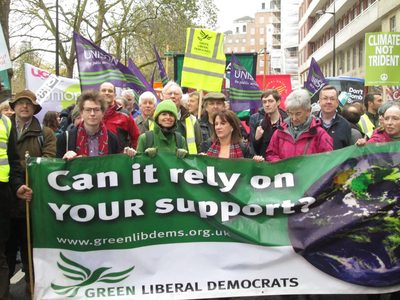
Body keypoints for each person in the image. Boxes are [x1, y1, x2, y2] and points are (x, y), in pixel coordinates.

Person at [7, 89, 56, 293]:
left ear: (35, 108)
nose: (24, 106)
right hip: (7, 200)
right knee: (7, 250)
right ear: (14, 107)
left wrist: (19, 171)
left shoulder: (45, 134)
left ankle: (33, 286)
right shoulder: (4, 129)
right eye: (20, 103)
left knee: (31, 249)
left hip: (32, 200)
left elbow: (47, 163)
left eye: (28, 103)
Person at [0, 110, 32, 300]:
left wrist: (17, 185)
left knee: (1, 254)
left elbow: (12, 160)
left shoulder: (5, 122)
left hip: (2, 192)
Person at [56, 90, 137, 160]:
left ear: (103, 113)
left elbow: (115, 166)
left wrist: (125, 156)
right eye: (88, 110)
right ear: (81, 113)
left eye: (96, 110)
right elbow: (57, 169)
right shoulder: (65, 138)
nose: (92, 114)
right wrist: (65, 160)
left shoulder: (112, 138)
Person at [266, 89, 333, 162]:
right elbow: (271, 155)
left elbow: (328, 161)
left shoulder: (320, 135)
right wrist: (282, 165)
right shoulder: (280, 131)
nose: (294, 118)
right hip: (284, 173)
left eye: (298, 114)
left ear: (308, 110)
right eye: (290, 113)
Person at [199, 109, 263, 162]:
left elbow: (251, 171)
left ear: (232, 127)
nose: (218, 127)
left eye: (223, 124)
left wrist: (257, 161)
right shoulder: (207, 145)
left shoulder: (243, 147)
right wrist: (200, 160)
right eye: (216, 124)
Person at [161, 81, 202, 154]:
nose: (173, 96)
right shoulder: (152, 119)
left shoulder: (192, 120)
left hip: (186, 163)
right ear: (163, 96)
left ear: (181, 98)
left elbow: (199, 146)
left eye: (176, 94)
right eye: (169, 93)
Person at [99, 82, 140, 151]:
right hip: (97, 158)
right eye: (103, 90)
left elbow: (136, 137)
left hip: (119, 158)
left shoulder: (125, 115)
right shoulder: (92, 113)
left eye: (110, 91)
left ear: (115, 95)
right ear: (99, 94)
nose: (107, 93)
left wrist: (134, 154)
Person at [253, 89, 288, 159]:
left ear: (278, 102)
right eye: (264, 102)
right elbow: (257, 151)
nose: (267, 105)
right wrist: (257, 140)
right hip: (266, 166)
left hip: (282, 165)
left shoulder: (288, 123)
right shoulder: (260, 124)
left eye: (271, 101)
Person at [318, 85, 352, 149]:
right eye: (325, 98)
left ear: (337, 103)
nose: (328, 102)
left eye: (332, 99)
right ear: (320, 101)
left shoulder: (345, 125)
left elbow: (348, 152)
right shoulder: (312, 123)